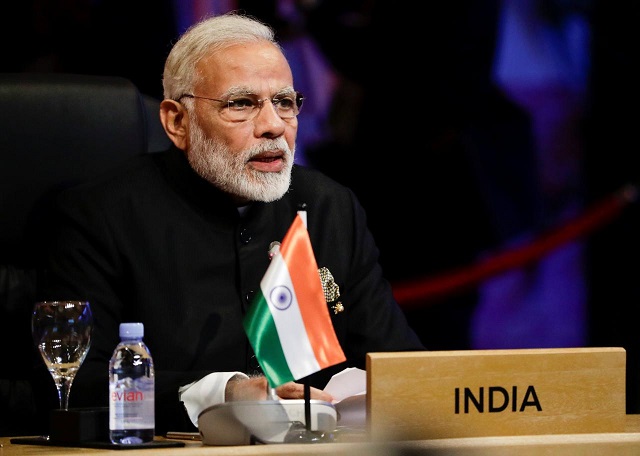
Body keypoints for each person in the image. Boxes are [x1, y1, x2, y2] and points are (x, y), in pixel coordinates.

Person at [39, 11, 425, 434]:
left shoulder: (330, 207)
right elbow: (71, 386)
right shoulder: (99, 216)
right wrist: (223, 396)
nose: (274, 126)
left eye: (284, 102)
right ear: (177, 122)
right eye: (241, 104)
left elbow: (398, 365)